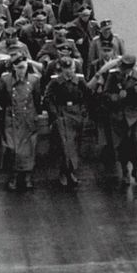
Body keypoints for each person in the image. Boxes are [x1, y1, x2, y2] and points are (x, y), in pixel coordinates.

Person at [0, 51, 42, 191]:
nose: (22, 70)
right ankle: (14, 175)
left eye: (24, 66)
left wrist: (36, 115)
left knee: (29, 148)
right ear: (13, 67)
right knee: (13, 148)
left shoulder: (34, 80)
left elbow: (37, 99)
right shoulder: (6, 80)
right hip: (12, 117)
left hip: (28, 117)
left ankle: (27, 176)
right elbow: (1, 100)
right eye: (19, 67)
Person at [101, 54, 137, 186]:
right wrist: (116, 97)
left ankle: (136, 169)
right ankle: (125, 171)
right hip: (119, 113)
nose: (123, 70)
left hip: (135, 112)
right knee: (122, 144)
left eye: (126, 68)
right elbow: (105, 93)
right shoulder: (113, 75)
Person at [43, 56, 88, 189]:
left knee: (75, 145)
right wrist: (55, 115)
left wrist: (83, 111)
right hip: (62, 115)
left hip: (76, 114)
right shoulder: (55, 82)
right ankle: (65, 172)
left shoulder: (79, 81)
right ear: (61, 70)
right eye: (66, 69)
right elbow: (48, 98)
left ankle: (70, 171)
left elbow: (86, 96)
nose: (69, 72)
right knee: (65, 146)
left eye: (72, 69)